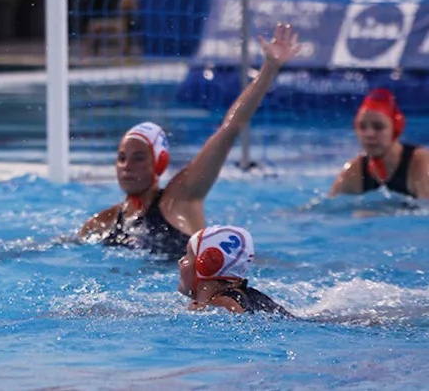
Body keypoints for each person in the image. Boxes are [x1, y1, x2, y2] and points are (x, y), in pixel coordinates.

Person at [77, 24, 301, 260]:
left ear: (159, 162)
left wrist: (269, 69)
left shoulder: (181, 198)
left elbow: (230, 129)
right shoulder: (103, 222)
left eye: (138, 157)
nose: (127, 166)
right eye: (122, 158)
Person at [330, 88, 428, 199]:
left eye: (378, 127)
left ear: (395, 129)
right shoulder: (354, 172)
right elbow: (327, 206)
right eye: (362, 127)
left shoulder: (421, 165)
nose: (369, 134)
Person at [177, 225, 293, 316]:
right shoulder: (242, 296)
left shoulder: (225, 304)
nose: (180, 261)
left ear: (207, 265)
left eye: (188, 255)